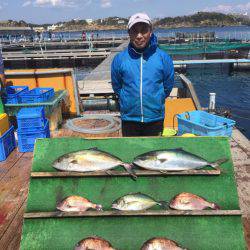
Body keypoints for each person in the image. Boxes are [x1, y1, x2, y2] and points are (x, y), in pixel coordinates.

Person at [111, 13, 174, 136]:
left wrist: (157, 98)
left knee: (154, 153)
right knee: (132, 152)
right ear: (129, 33)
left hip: (155, 118)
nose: (139, 36)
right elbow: (117, 86)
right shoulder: (119, 59)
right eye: (135, 31)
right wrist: (126, 99)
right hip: (129, 119)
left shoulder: (163, 58)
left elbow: (168, 85)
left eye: (144, 30)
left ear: (150, 32)